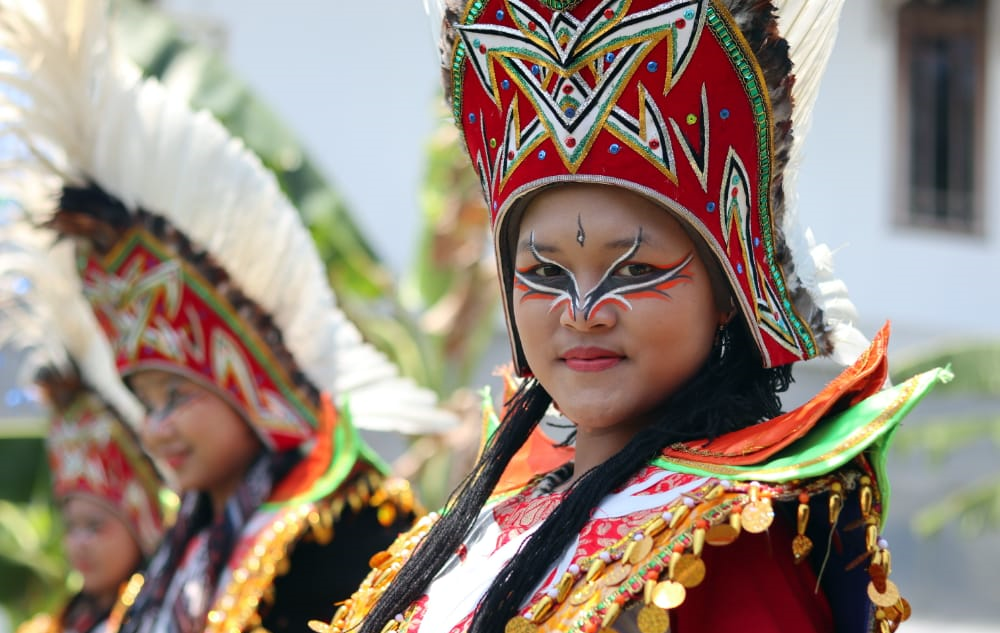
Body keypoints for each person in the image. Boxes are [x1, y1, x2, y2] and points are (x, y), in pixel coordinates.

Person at [312, 1, 949, 632]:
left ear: (726, 292)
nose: (582, 312)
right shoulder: (475, 523)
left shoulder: (729, 543)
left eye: (637, 271)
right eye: (543, 274)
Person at [0, 1, 456, 632]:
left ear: (248, 380)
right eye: (146, 403)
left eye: (175, 396)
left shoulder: (348, 528)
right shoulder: (181, 553)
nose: (154, 429)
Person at [0, 225, 166, 633]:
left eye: (95, 526)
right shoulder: (51, 625)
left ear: (143, 521)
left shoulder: (173, 613)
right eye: (73, 527)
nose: (79, 544)